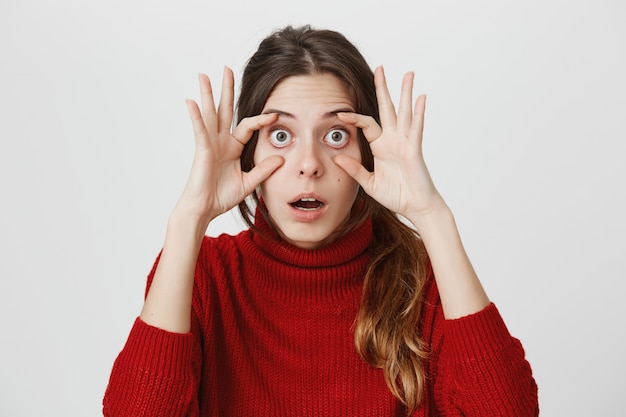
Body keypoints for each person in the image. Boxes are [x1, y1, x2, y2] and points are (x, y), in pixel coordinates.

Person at [103, 25, 538, 416]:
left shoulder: (426, 281)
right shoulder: (202, 275)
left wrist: (432, 215)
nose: (309, 164)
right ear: (247, 151)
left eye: (335, 136)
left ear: (367, 152)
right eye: (280, 136)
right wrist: (188, 218)